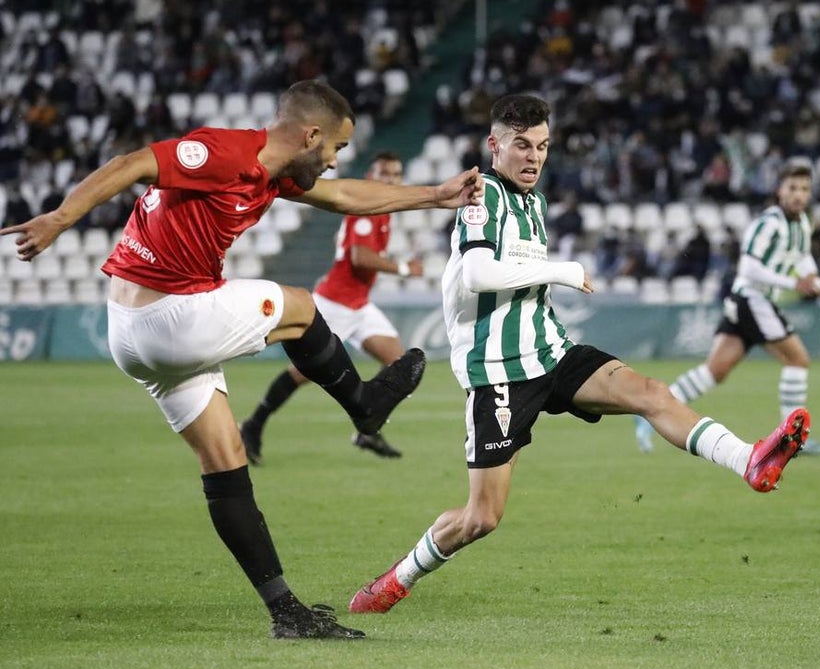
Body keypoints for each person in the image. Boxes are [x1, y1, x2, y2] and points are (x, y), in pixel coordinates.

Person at [1, 80, 483, 639]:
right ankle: (366, 405)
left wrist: (435, 194)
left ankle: (287, 613)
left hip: (136, 334)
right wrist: (60, 219)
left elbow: (347, 197)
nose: (332, 162)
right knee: (300, 306)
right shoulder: (227, 153)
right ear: (311, 135)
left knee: (226, 459)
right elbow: (133, 162)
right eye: (335, 149)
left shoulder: (273, 174)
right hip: (166, 316)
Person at [346, 94, 812, 616]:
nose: (534, 157)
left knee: (651, 393)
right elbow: (478, 275)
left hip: (551, 350)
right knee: (482, 517)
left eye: (542, 146)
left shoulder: (534, 203)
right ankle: (394, 580)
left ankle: (748, 459)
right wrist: (560, 270)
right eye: (521, 145)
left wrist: (553, 276)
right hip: (498, 370)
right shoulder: (481, 196)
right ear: (494, 145)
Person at [634, 162, 820, 455]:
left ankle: (648, 411)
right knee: (798, 360)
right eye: (792, 188)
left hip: (747, 303)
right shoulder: (769, 223)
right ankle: (791, 442)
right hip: (752, 299)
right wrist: (793, 284)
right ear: (780, 190)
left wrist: (819, 285)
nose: (798, 195)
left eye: (804, 189)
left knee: (716, 370)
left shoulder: (802, 223)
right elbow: (749, 267)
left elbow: (802, 258)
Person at [239, 151, 425, 463]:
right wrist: (405, 269)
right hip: (335, 304)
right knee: (302, 373)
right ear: (370, 177)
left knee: (398, 362)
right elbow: (359, 258)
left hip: (359, 305)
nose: (390, 180)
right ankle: (252, 425)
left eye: (395, 175)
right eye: (384, 174)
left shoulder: (381, 210)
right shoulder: (367, 210)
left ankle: (367, 431)